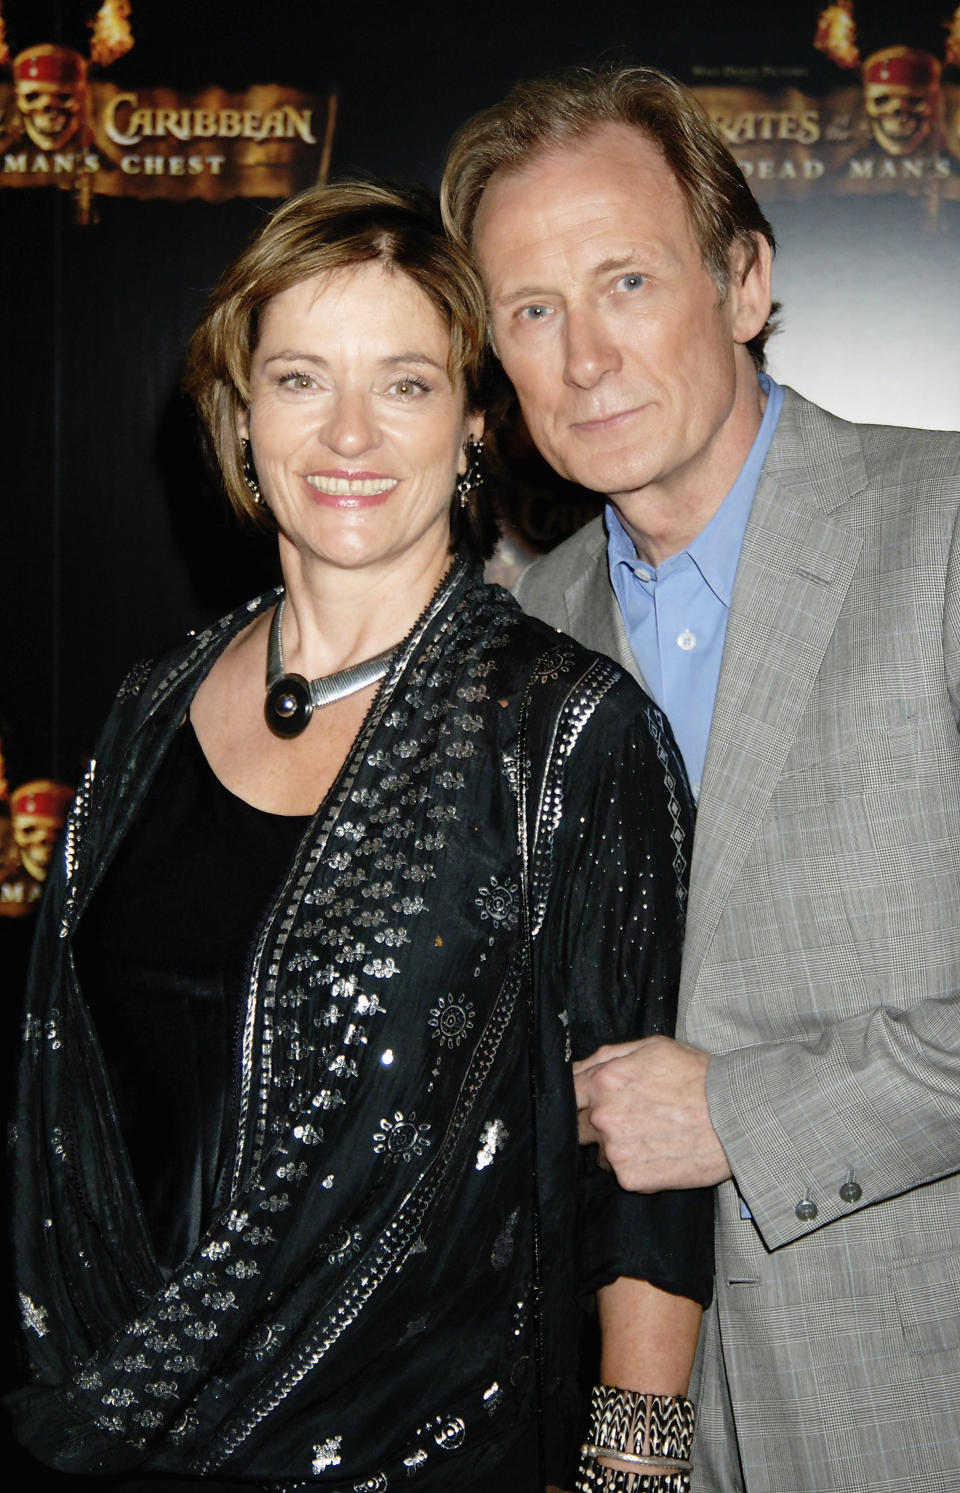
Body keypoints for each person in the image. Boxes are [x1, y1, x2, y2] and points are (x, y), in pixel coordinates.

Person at [8, 180, 711, 1492]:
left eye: (401, 383)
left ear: (469, 426)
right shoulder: (152, 704)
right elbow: (69, 1108)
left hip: (425, 1451)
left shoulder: (562, 735)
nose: (346, 435)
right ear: (239, 412)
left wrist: (638, 1467)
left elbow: (648, 1168)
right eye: (297, 379)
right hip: (103, 1435)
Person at [441, 65, 960, 1493]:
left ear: (742, 282)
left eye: (625, 282)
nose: (584, 357)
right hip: (613, 1433)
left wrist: (745, 1109)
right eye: (531, 311)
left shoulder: (945, 533)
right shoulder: (517, 640)